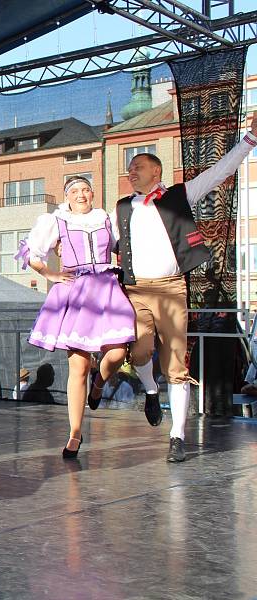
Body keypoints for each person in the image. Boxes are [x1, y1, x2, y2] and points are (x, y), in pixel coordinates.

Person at [113, 113, 257, 462]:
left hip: (171, 289)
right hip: (135, 290)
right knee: (140, 354)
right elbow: (113, 243)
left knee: (177, 364)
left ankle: (177, 436)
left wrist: (250, 140)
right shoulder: (121, 207)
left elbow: (219, 172)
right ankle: (150, 390)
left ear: (156, 173)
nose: (131, 172)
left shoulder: (179, 195)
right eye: (130, 167)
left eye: (138, 166)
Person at [17, 176, 135, 458]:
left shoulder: (107, 218)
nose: (81, 195)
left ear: (93, 193)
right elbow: (32, 254)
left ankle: (99, 385)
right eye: (75, 191)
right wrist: (51, 274)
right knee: (78, 367)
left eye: (85, 190)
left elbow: (123, 248)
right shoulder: (56, 221)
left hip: (107, 288)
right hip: (77, 290)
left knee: (118, 352)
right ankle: (75, 433)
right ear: (67, 196)